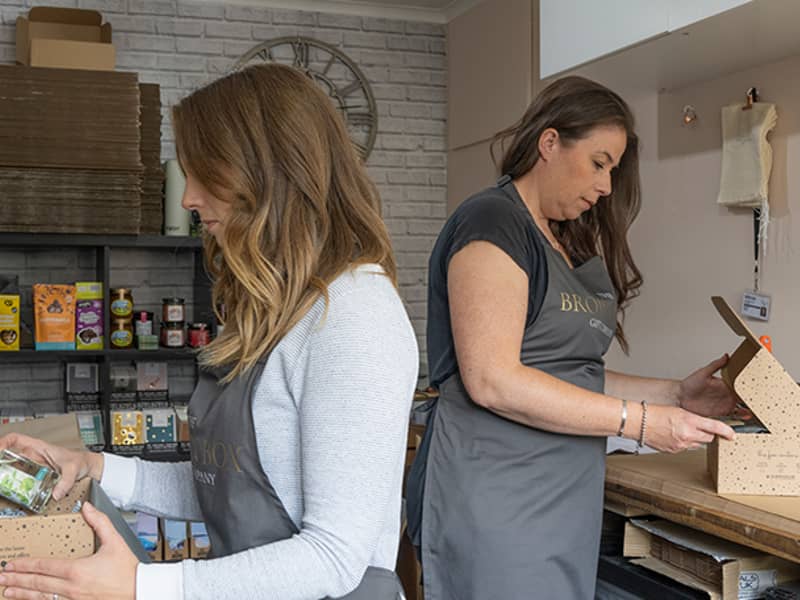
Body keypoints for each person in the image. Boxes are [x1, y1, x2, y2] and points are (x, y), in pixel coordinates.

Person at [0, 64, 418, 600]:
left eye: (202, 172)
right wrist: (94, 465)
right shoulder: (275, 308)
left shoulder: (354, 316)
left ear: (264, 172)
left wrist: (144, 585)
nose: (187, 199)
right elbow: (225, 491)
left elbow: (334, 557)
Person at [405, 76, 739, 600]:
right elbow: (493, 379)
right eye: (599, 162)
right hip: (495, 498)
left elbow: (569, 372)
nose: (607, 185)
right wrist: (642, 422)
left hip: (563, 496)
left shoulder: (563, 242)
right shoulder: (492, 221)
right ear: (550, 142)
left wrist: (676, 395)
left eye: (613, 169)